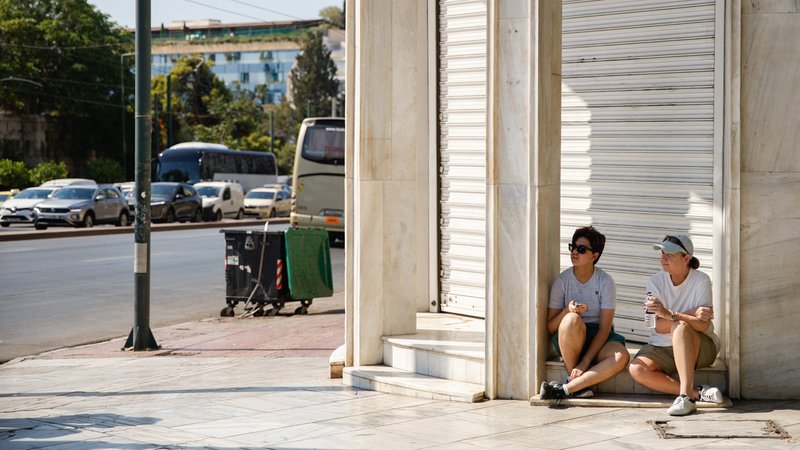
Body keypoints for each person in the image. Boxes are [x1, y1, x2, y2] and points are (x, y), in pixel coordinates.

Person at [628, 234, 723, 416]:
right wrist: (690, 313)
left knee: (679, 328)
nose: (663, 258)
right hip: (663, 347)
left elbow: (702, 327)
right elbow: (656, 327)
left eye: (670, 254)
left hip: (701, 347)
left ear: (686, 258)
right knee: (636, 369)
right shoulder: (655, 281)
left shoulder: (701, 280)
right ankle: (698, 393)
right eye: (662, 253)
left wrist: (669, 314)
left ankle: (685, 398)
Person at [539, 226, 629, 402]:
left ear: (594, 256)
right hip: (570, 336)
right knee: (572, 319)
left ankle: (568, 387)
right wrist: (568, 311)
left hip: (598, 337)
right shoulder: (561, 281)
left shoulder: (605, 282)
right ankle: (577, 383)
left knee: (622, 356)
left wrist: (585, 361)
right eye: (573, 247)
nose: (574, 252)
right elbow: (550, 327)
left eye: (581, 249)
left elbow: (604, 329)